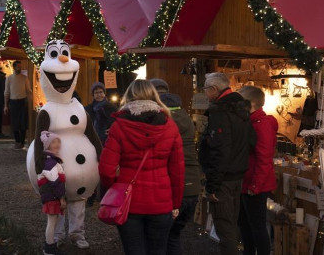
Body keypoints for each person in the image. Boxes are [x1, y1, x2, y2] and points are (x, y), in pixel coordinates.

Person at [99, 79, 185, 255]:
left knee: (134, 250)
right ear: (154, 95)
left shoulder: (119, 126)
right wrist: (175, 203)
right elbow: (177, 171)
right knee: (158, 250)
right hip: (161, 203)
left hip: (129, 203)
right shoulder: (170, 126)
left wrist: (113, 188)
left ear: (128, 97)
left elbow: (105, 170)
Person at [198, 72, 255, 255]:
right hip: (237, 175)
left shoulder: (220, 111)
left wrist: (213, 185)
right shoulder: (242, 109)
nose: (205, 93)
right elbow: (251, 140)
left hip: (223, 178)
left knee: (225, 227)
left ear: (214, 89)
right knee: (231, 223)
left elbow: (219, 149)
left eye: (206, 89)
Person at [148, 78, 201, 255]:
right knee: (174, 236)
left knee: (159, 239)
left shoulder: (160, 120)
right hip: (193, 186)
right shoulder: (186, 117)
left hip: (173, 189)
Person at [237, 86, 277, 255]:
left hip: (255, 184)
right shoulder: (251, 122)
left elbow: (264, 159)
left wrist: (255, 186)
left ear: (251, 103)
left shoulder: (262, 125)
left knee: (257, 227)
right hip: (246, 182)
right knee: (245, 224)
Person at [37, 131, 67, 255]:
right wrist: (62, 199)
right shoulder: (50, 162)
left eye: (58, 142)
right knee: (52, 222)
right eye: (53, 142)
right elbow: (55, 182)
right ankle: (49, 248)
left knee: (52, 221)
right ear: (48, 145)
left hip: (51, 196)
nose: (57, 145)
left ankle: (50, 246)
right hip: (52, 197)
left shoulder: (51, 159)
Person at [4, 61, 32, 149]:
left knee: (23, 123)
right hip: (13, 102)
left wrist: (30, 101)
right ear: (14, 67)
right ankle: (17, 141)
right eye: (18, 66)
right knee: (15, 123)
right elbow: (6, 92)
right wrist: (5, 105)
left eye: (20, 66)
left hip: (23, 102)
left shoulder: (25, 78)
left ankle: (22, 142)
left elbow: (28, 91)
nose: (20, 68)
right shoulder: (9, 78)